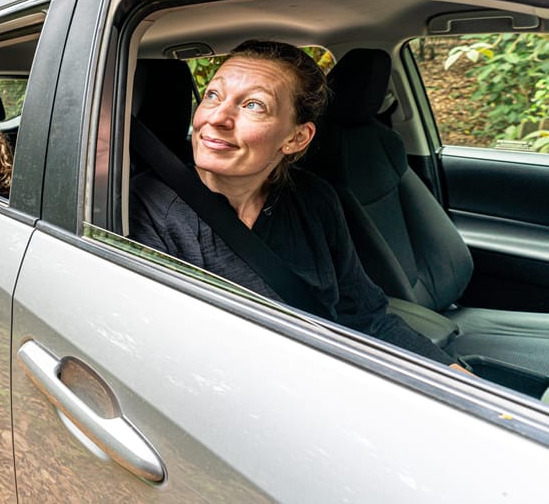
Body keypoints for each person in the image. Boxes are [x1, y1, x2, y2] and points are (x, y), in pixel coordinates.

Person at [130, 40, 465, 369]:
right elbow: (177, 357)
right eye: (213, 95)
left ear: (296, 138)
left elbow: (365, 318)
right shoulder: (150, 210)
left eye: (253, 106)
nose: (217, 117)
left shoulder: (314, 199)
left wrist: (451, 374)